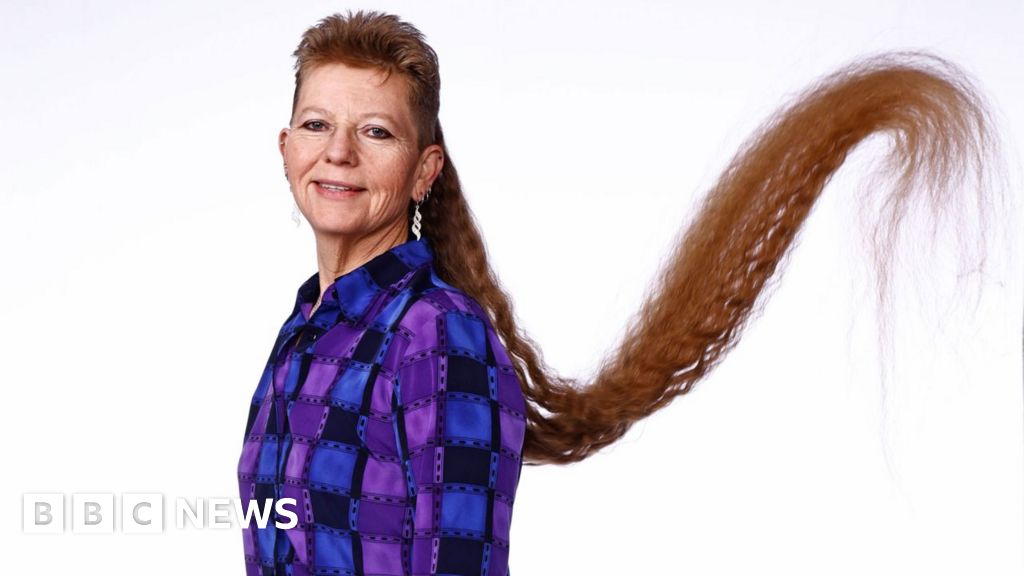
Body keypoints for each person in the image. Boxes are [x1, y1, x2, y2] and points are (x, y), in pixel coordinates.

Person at [237, 9, 1003, 576]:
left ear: (425, 168)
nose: (337, 151)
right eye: (315, 123)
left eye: (375, 131)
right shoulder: (304, 330)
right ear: (285, 148)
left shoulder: (438, 337)